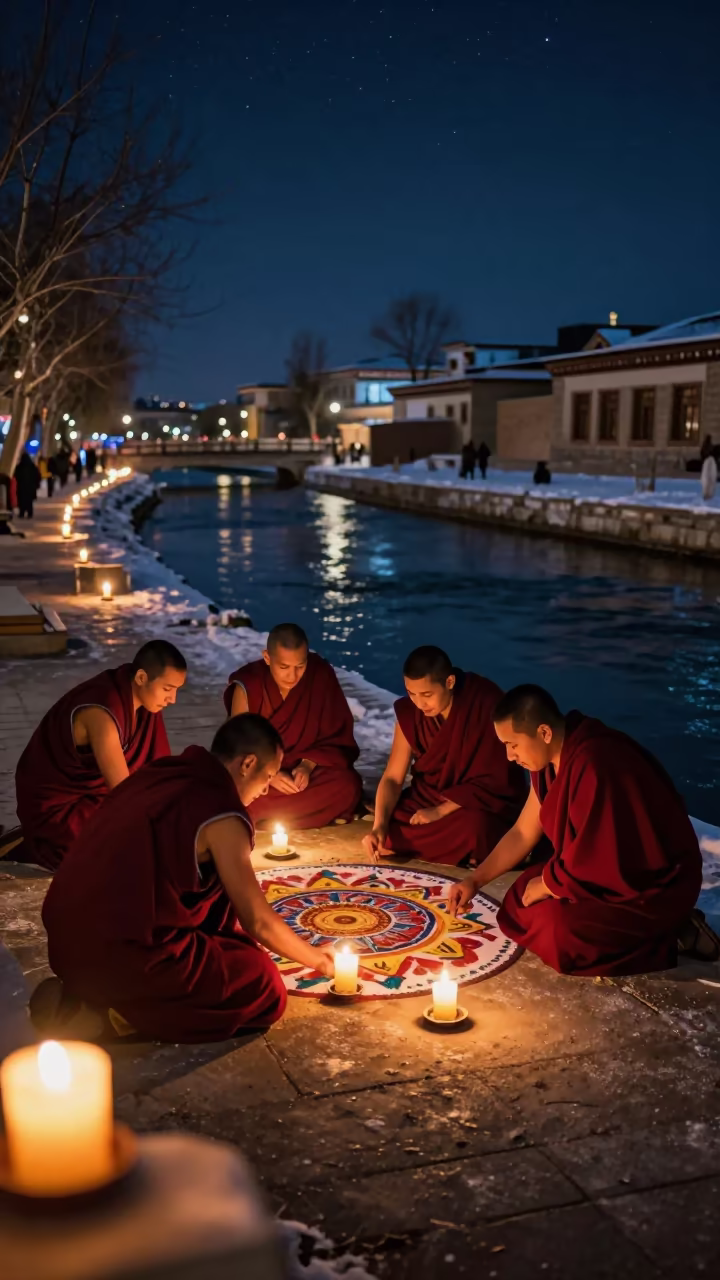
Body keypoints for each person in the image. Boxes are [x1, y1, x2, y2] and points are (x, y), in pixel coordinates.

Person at [34, 715, 336, 1044]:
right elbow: (257, 921)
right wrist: (320, 960)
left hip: (66, 944)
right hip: (123, 958)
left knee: (226, 946)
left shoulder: (162, 774)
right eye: (267, 777)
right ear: (247, 763)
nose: (266, 790)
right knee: (262, 985)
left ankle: (84, 994)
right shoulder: (220, 814)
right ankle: (113, 1017)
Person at [449, 684, 714, 975]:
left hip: (649, 888)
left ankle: (675, 934)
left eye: (513, 745)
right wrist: (474, 881)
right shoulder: (548, 761)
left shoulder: (596, 762)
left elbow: (601, 857)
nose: (510, 756)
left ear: (544, 733)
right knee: (518, 901)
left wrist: (549, 884)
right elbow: (524, 832)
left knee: (560, 935)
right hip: (592, 878)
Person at [10, 640, 187, 870]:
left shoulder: (141, 700)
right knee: (117, 847)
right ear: (142, 678)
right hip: (60, 808)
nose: (172, 699)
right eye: (167, 689)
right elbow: (124, 793)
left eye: (176, 690)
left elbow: (154, 772)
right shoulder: (102, 712)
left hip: (95, 793)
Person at [363, 647, 527, 867]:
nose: (419, 704)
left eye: (427, 695)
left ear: (449, 682)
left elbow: (498, 780)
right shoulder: (412, 713)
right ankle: (441, 848)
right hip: (429, 796)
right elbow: (393, 777)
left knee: (477, 828)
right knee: (391, 826)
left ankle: (423, 844)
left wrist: (440, 811)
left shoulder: (485, 702)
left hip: (473, 804)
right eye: (412, 694)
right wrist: (379, 826)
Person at [223, 623, 362, 829]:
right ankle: (299, 815)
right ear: (267, 658)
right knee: (240, 794)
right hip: (262, 776)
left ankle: (270, 818)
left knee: (347, 785)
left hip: (305, 774)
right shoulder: (249, 685)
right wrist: (268, 775)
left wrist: (307, 765)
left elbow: (336, 736)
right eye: (284, 667)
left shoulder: (320, 674)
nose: (292, 676)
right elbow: (237, 746)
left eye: (300, 666)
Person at [13, 451, 40, 518]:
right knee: (29, 502)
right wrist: (36, 484)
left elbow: (16, 476)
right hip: (30, 488)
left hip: (21, 488)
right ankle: (29, 513)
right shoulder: (33, 467)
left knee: (21, 501)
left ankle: (22, 513)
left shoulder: (19, 467)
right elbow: (37, 476)